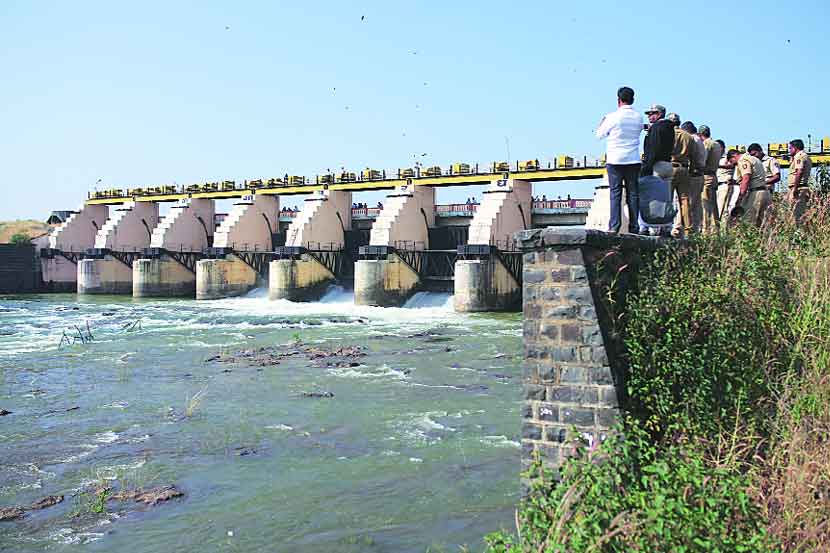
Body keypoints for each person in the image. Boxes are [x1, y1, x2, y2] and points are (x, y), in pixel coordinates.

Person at [595, 86, 644, 234]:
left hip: (615, 160)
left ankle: (614, 226)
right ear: (633, 100)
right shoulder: (638, 117)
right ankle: (634, 226)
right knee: (633, 194)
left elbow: (599, 135)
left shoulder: (612, 117)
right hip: (633, 159)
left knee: (615, 193)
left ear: (618, 100)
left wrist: (602, 122)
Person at [639, 104, 675, 235]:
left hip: (657, 166)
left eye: (651, 113)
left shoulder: (656, 128)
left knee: (653, 198)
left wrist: (646, 167)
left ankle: (648, 227)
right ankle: (667, 227)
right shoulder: (669, 127)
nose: (649, 116)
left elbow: (653, 150)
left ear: (659, 114)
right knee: (667, 198)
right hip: (668, 165)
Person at [667, 113, 694, 237]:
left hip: (670, 167)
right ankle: (688, 229)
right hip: (684, 168)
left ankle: (666, 226)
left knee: (667, 199)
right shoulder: (688, 136)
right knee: (684, 200)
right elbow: (693, 156)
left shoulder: (668, 134)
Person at [730, 147, 770, 226]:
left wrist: (740, 197)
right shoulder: (755, 159)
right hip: (765, 192)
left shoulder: (743, 160)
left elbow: (746, 178)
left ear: (734, 156)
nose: (734, 165)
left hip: (755, 193)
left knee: (749, 222)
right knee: (762, 224)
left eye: (733, 162)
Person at [681, 122, 706, 233]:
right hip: (699, 175)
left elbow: (692, 158)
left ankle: (683, 229)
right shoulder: (699, 140)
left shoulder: (692, 140)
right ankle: (695, 230)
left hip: (693, 174)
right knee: (695, 205)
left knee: (687, 204)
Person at [698, 125, 723, 233]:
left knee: (705, 205)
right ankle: (715, 230)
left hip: (706, 176)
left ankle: (706, 231)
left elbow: (703, 159)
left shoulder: (706, 144)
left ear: (700, 134)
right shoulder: (717, 144)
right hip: (713, 176)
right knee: (714, 206)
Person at [787, 139, 812, 222]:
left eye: (790, 148)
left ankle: (800, 233)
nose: (789, 150)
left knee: (798, 215)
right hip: (802, 187)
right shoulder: (805, 156)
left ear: (795, 148)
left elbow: (799, 171)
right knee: (801, 213)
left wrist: (795, 188)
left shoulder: (799, 156)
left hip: (799, 189)